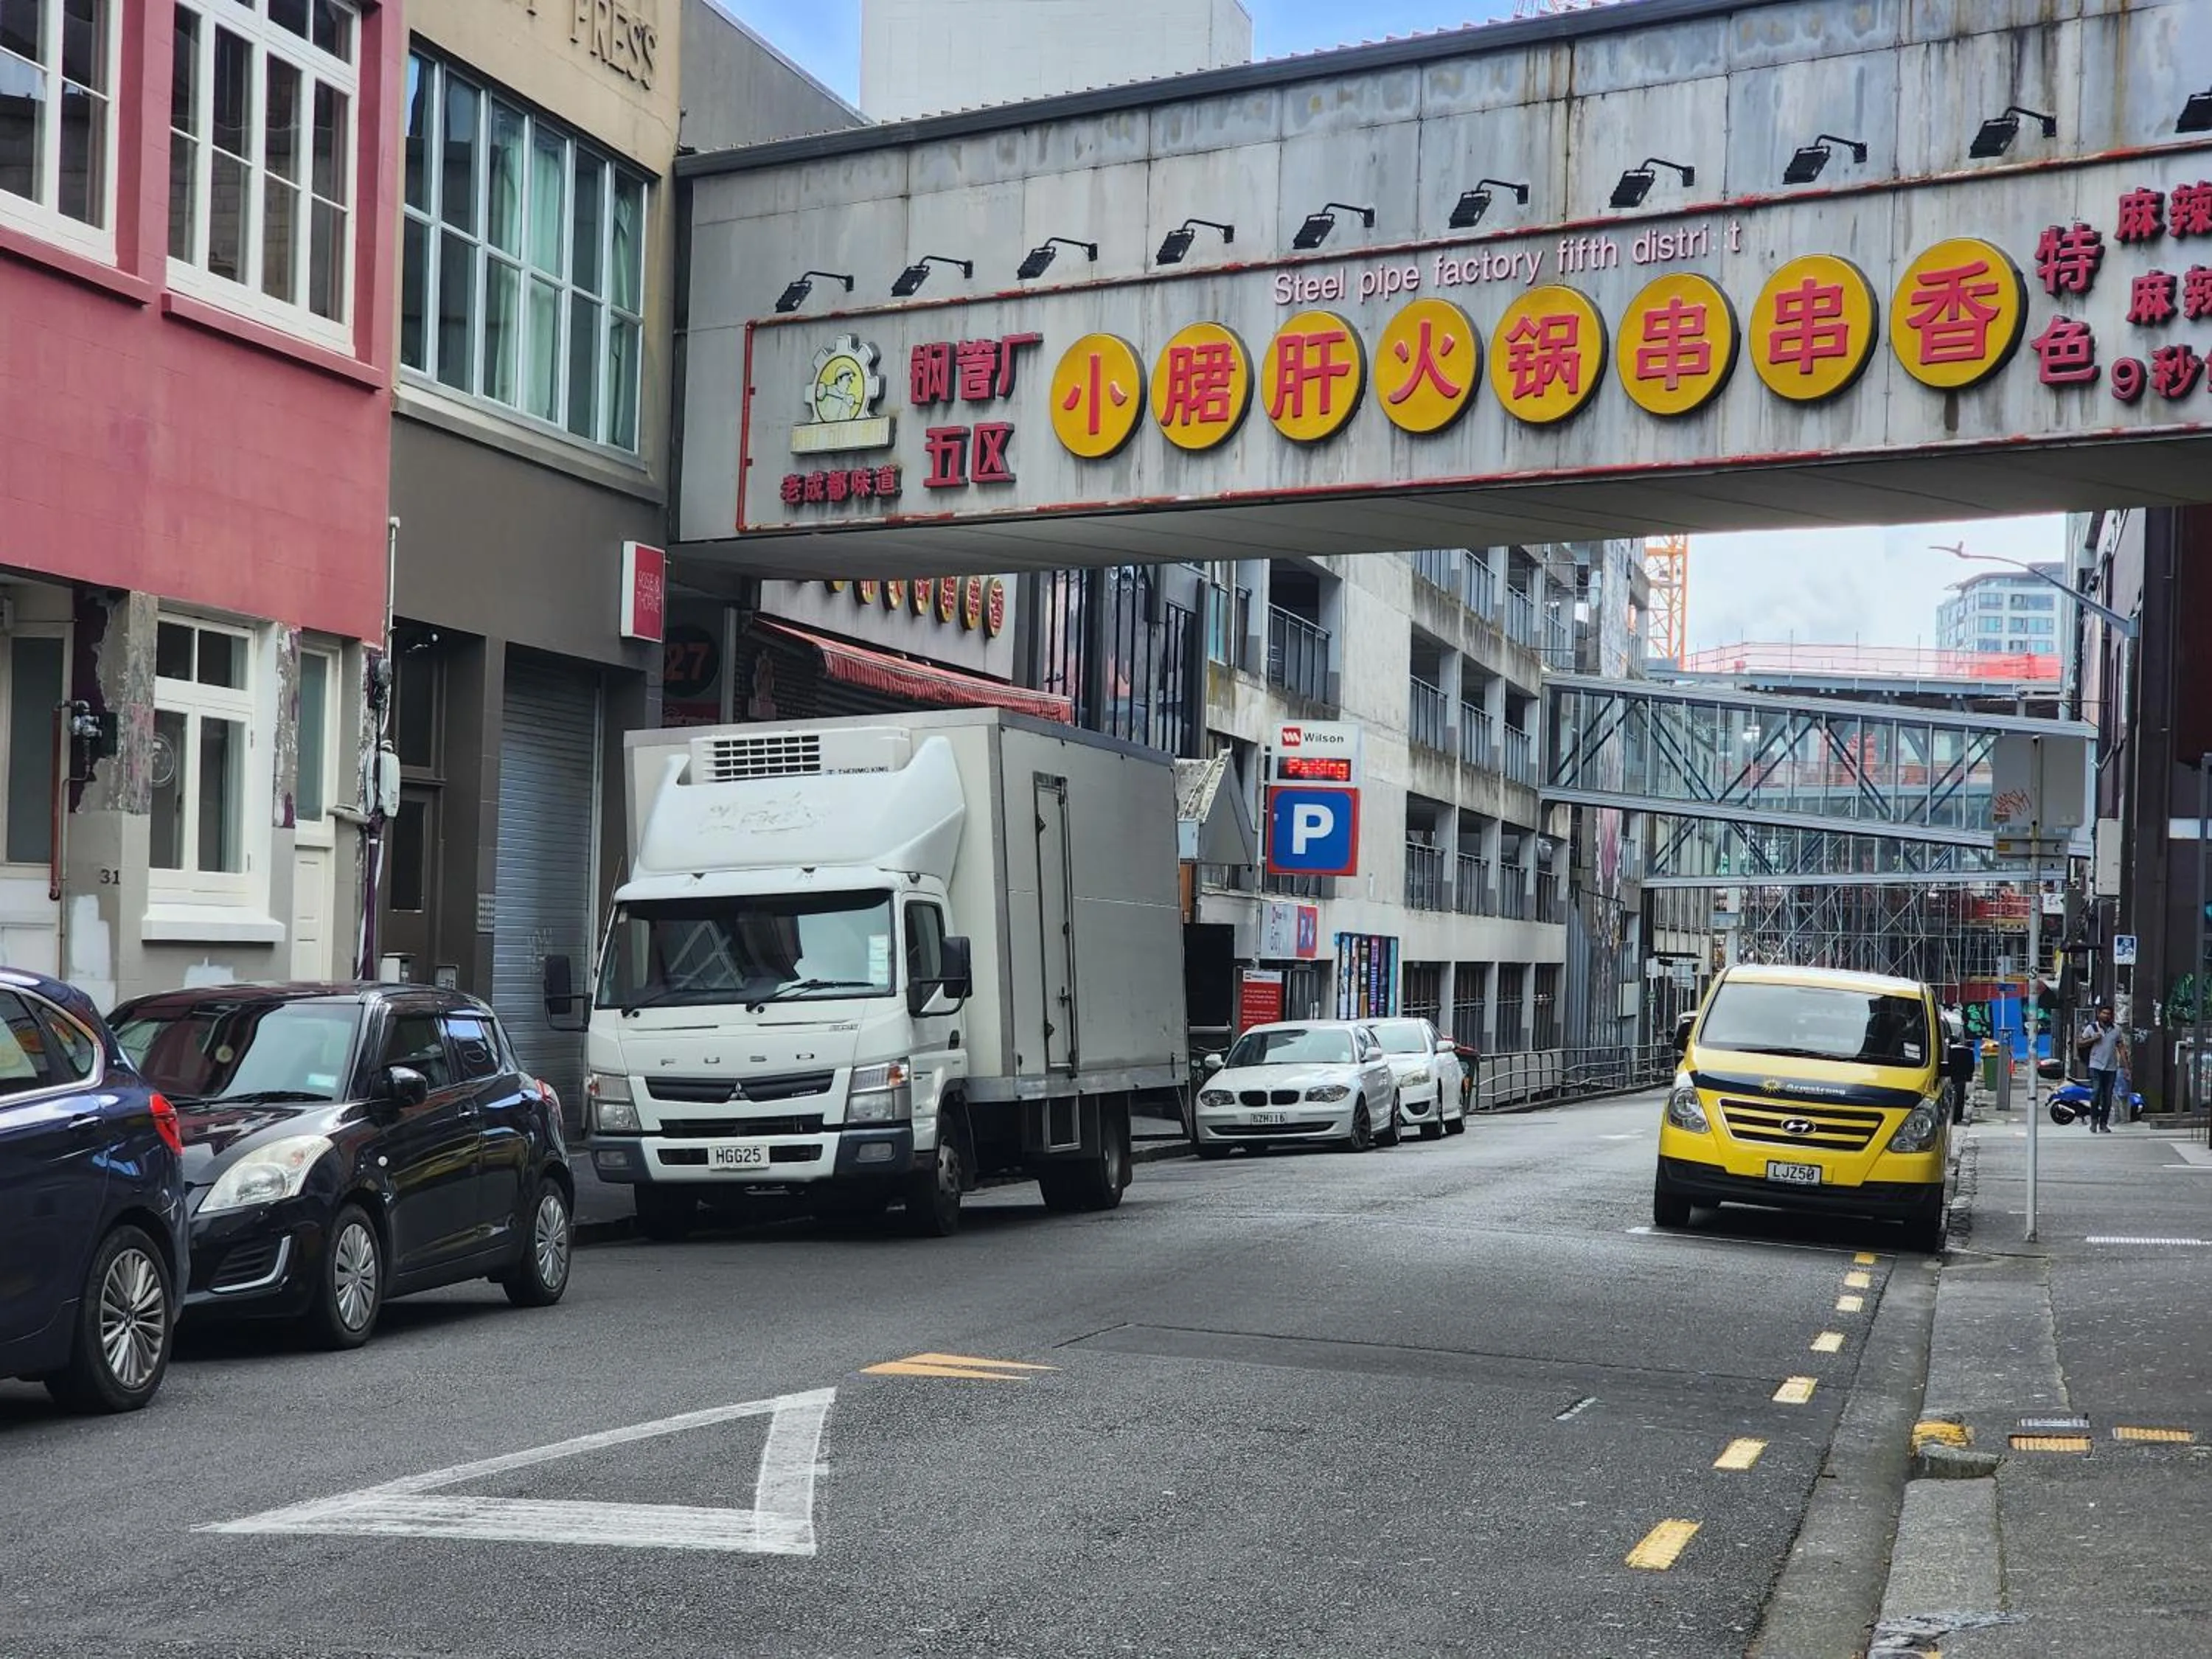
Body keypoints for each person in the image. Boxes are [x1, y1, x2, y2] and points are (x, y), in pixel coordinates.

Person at [2083, 1004, 2127, 1133]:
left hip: (2111, 1067)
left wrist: (2126, 1066)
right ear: (2099, 1014)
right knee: (2096, 1094)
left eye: (2108, 1014)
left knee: (2107, 1097)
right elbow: (2079, 1043)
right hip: (2095, 1065)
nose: (2106, 1016)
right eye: (2104, 1013)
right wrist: (2093, 1039)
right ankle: (2094, 1121)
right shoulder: (2091, 1028)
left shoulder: (2116, 1029)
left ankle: (2104, 1123)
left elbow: (2121, 1047)